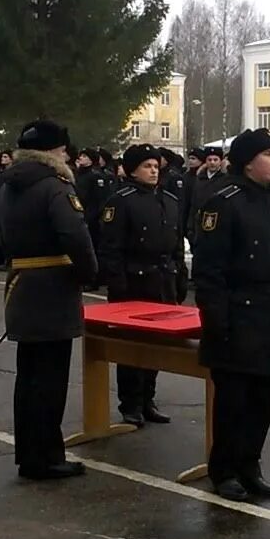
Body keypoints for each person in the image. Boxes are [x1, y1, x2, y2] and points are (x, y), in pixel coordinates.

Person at [192, 128, 270, 501]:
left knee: (263, 398)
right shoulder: (224, 202)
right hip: (238, 313)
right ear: (248, 162)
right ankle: (224, 470)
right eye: (268, 154)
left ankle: (250, 466)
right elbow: (208, 270)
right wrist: (217, 321)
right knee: (233, 400)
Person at [0, 119, 98, 480]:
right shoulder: (56, 186)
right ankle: (48, 457)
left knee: (29, 378)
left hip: (21, 283)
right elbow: (74, 233)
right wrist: (89, 273)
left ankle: (29, 453)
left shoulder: (10, 184)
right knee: (51, 379)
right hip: (53, 286)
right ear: (56, 151)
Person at [97, 143, 182, 426]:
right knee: (131, 347)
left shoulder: (169, 200)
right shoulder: (121, 200)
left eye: (156, 166)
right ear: (132, 170)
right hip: (134, 281)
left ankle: (148, 398)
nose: (154, 171)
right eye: (147, 166)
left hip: (162, 279)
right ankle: (130, 403)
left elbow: (176, 244)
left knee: (156, 345)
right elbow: (111, 247)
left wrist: (179, 277)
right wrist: (117, 284)